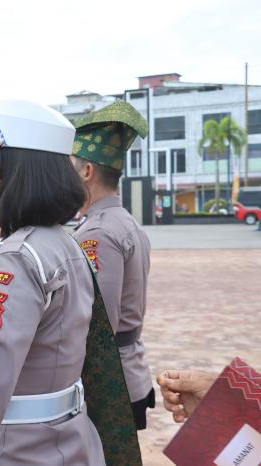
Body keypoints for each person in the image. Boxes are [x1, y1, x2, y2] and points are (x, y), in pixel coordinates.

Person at [0, 100, 106, 465]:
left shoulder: (16, 257)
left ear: (14, 168)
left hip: (19, 449)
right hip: (67, 438)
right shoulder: (62, 241)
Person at [70, 101, 155, 430]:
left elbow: (98, 326)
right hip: (124, 372)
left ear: (87, 172)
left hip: (107, 384)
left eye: (70, 167)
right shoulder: (124, 222)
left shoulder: (98, 232)